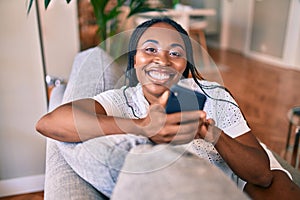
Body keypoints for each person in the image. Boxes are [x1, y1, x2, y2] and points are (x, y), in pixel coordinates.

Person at [36, 17, 300, 199]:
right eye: (150, 49)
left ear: (185, 65)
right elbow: (49, 123)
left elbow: (262, 175)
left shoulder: (212, 95)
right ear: (135, 60)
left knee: (280, 185)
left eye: (175, 53)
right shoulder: (121, 101)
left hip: (236, 184)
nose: (162, 60)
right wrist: (141, 126)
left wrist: (213, 134)